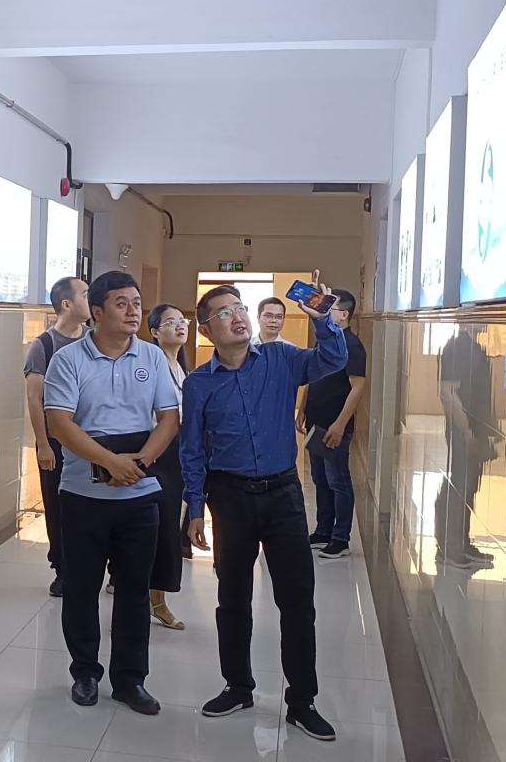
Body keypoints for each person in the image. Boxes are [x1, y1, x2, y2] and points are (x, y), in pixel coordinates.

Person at [181, 275, 347, 742]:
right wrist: (195, 507)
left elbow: (332, 360)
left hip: (283, 496)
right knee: (232, 598)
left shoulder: (281, 358)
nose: (237, 317)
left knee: (296, 601)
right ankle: (238, 686)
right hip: (229, 498)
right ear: (206, 330)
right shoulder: (198, 384)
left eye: (240, 308)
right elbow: (192, 450)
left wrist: (324, 322)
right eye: (224, 313)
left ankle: (302, 701)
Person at [44, 271, 180, 716]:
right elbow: (60, 423)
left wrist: (138, 464)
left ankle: (130, 679)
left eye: (136, 302)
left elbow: (169, 418)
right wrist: (109, 461)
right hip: (82, 495)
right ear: (97, 312)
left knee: (134, 591)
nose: (133, 311)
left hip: (139, 495)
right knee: (81, 589)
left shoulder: (152, 357)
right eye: (122, 303)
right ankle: (85, 672)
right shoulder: (68, 360)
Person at [24, 276, 90, 597]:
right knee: (58, 505)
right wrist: (43, 444)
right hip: (58, 442)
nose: (92, 299)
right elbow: (34, 398)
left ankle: (101, 565)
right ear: (67, 304)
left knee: (95, 504)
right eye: (86, 294)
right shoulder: (44, 346)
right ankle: (63, 569)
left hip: (93, 440)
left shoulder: (95, 340)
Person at [298, 289, 367, 559]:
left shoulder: (352, 345)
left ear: (344, 314)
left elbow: (358, 387)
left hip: (334, 425)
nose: (324, 310)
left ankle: (340, 538)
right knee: (320, 478)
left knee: (338, 480)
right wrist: (303, 407)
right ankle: (323, 530)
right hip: (316, 421)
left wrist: (340, 424)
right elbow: (312, 374)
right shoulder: (326, 340)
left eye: (330, 307)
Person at [435, 327, 498, 569]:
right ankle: (450, 547)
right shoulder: (457, 348)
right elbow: (448, 393)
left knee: (469, 486)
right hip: (464, 431)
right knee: (459, 485)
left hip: (476, 431)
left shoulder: (475, 348)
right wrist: (467, 430)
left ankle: (462, 542)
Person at [146, 302, 192, 630]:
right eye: (171, 322)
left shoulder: (181, 368)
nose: (180, 325)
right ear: (154, 332)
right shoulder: (151, 365)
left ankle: (157, 601)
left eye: (182, 320)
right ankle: (140, 602)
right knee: (152, 532)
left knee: (168, 533)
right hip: (155, 454)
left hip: (178, 457)